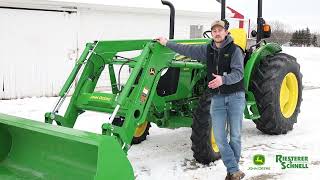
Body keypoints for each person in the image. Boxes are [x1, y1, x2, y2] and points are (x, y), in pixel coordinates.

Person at [156, 20, 246, 180]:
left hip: (234, 96)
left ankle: (233, 171)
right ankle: (234, 170)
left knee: (235, 136)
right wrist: (167, 43)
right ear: (212, 33)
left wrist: (223, 80)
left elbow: (239, 74)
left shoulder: (235, 50)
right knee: (219, 137)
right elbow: (187, 49)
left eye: (220, 30)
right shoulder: (208, 50)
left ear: (226, 32)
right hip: (216, 97)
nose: (217, 33)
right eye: (214, 31)